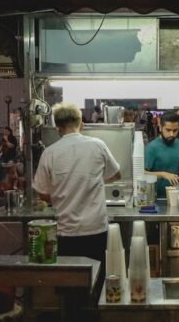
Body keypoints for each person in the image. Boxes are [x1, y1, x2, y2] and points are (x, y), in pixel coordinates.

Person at [33, 103, 121, 263]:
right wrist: (93, 181)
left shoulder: (49, 152)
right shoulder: (97, 145)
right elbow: (116, 175)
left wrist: (61, 195)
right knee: (97, 279)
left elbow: (42, 193)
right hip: (96, 229)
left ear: (57, 128)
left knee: (70, 280)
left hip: (66, 232)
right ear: (82, 124)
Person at [145, 112, 179, 197]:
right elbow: (142, 173)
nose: (172, 134)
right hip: (156, 198)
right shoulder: (152, 148)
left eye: (175, 130)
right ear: (161, 128)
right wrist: (163, 174)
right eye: (168, 130)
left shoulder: (178, 143)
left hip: (174, 195)